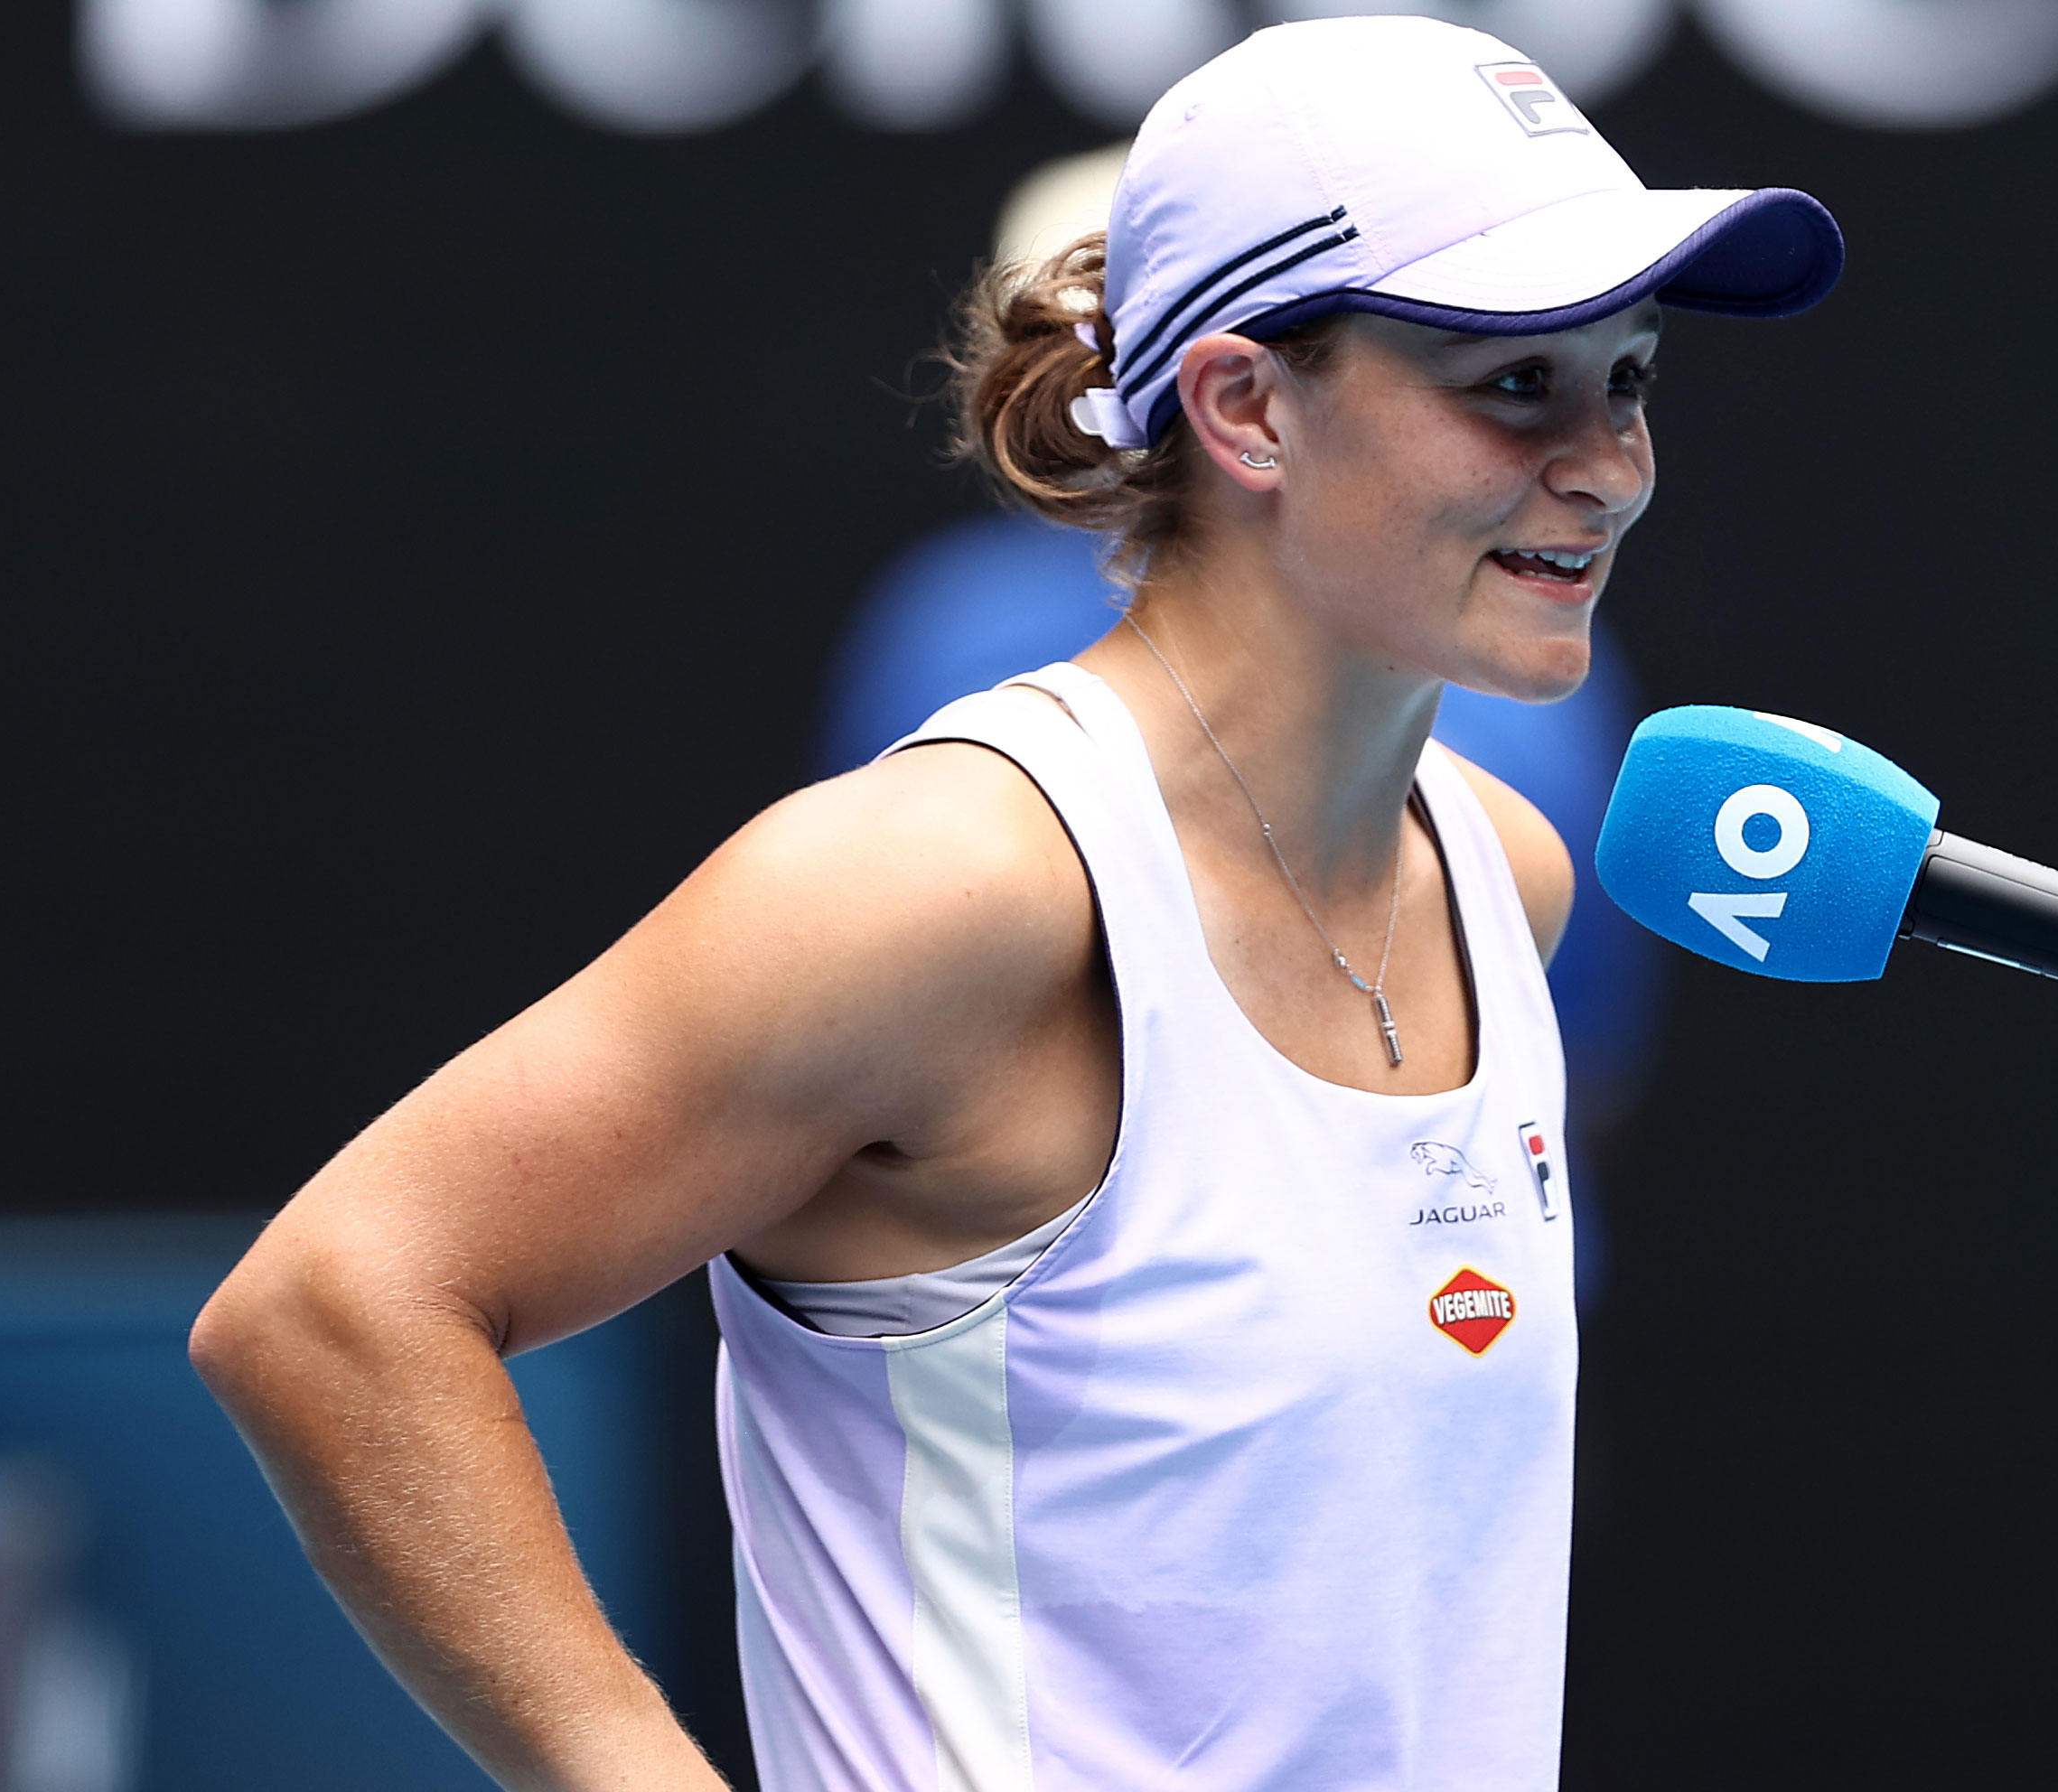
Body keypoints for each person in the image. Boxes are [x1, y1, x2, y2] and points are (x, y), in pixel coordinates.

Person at [188, 15, 1839, 1789]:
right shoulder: (947, 880)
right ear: (1245, 406)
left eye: (1632, 377)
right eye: (1514, 382)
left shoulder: (1507, 872)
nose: (1608, 460)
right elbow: (330, 1306)